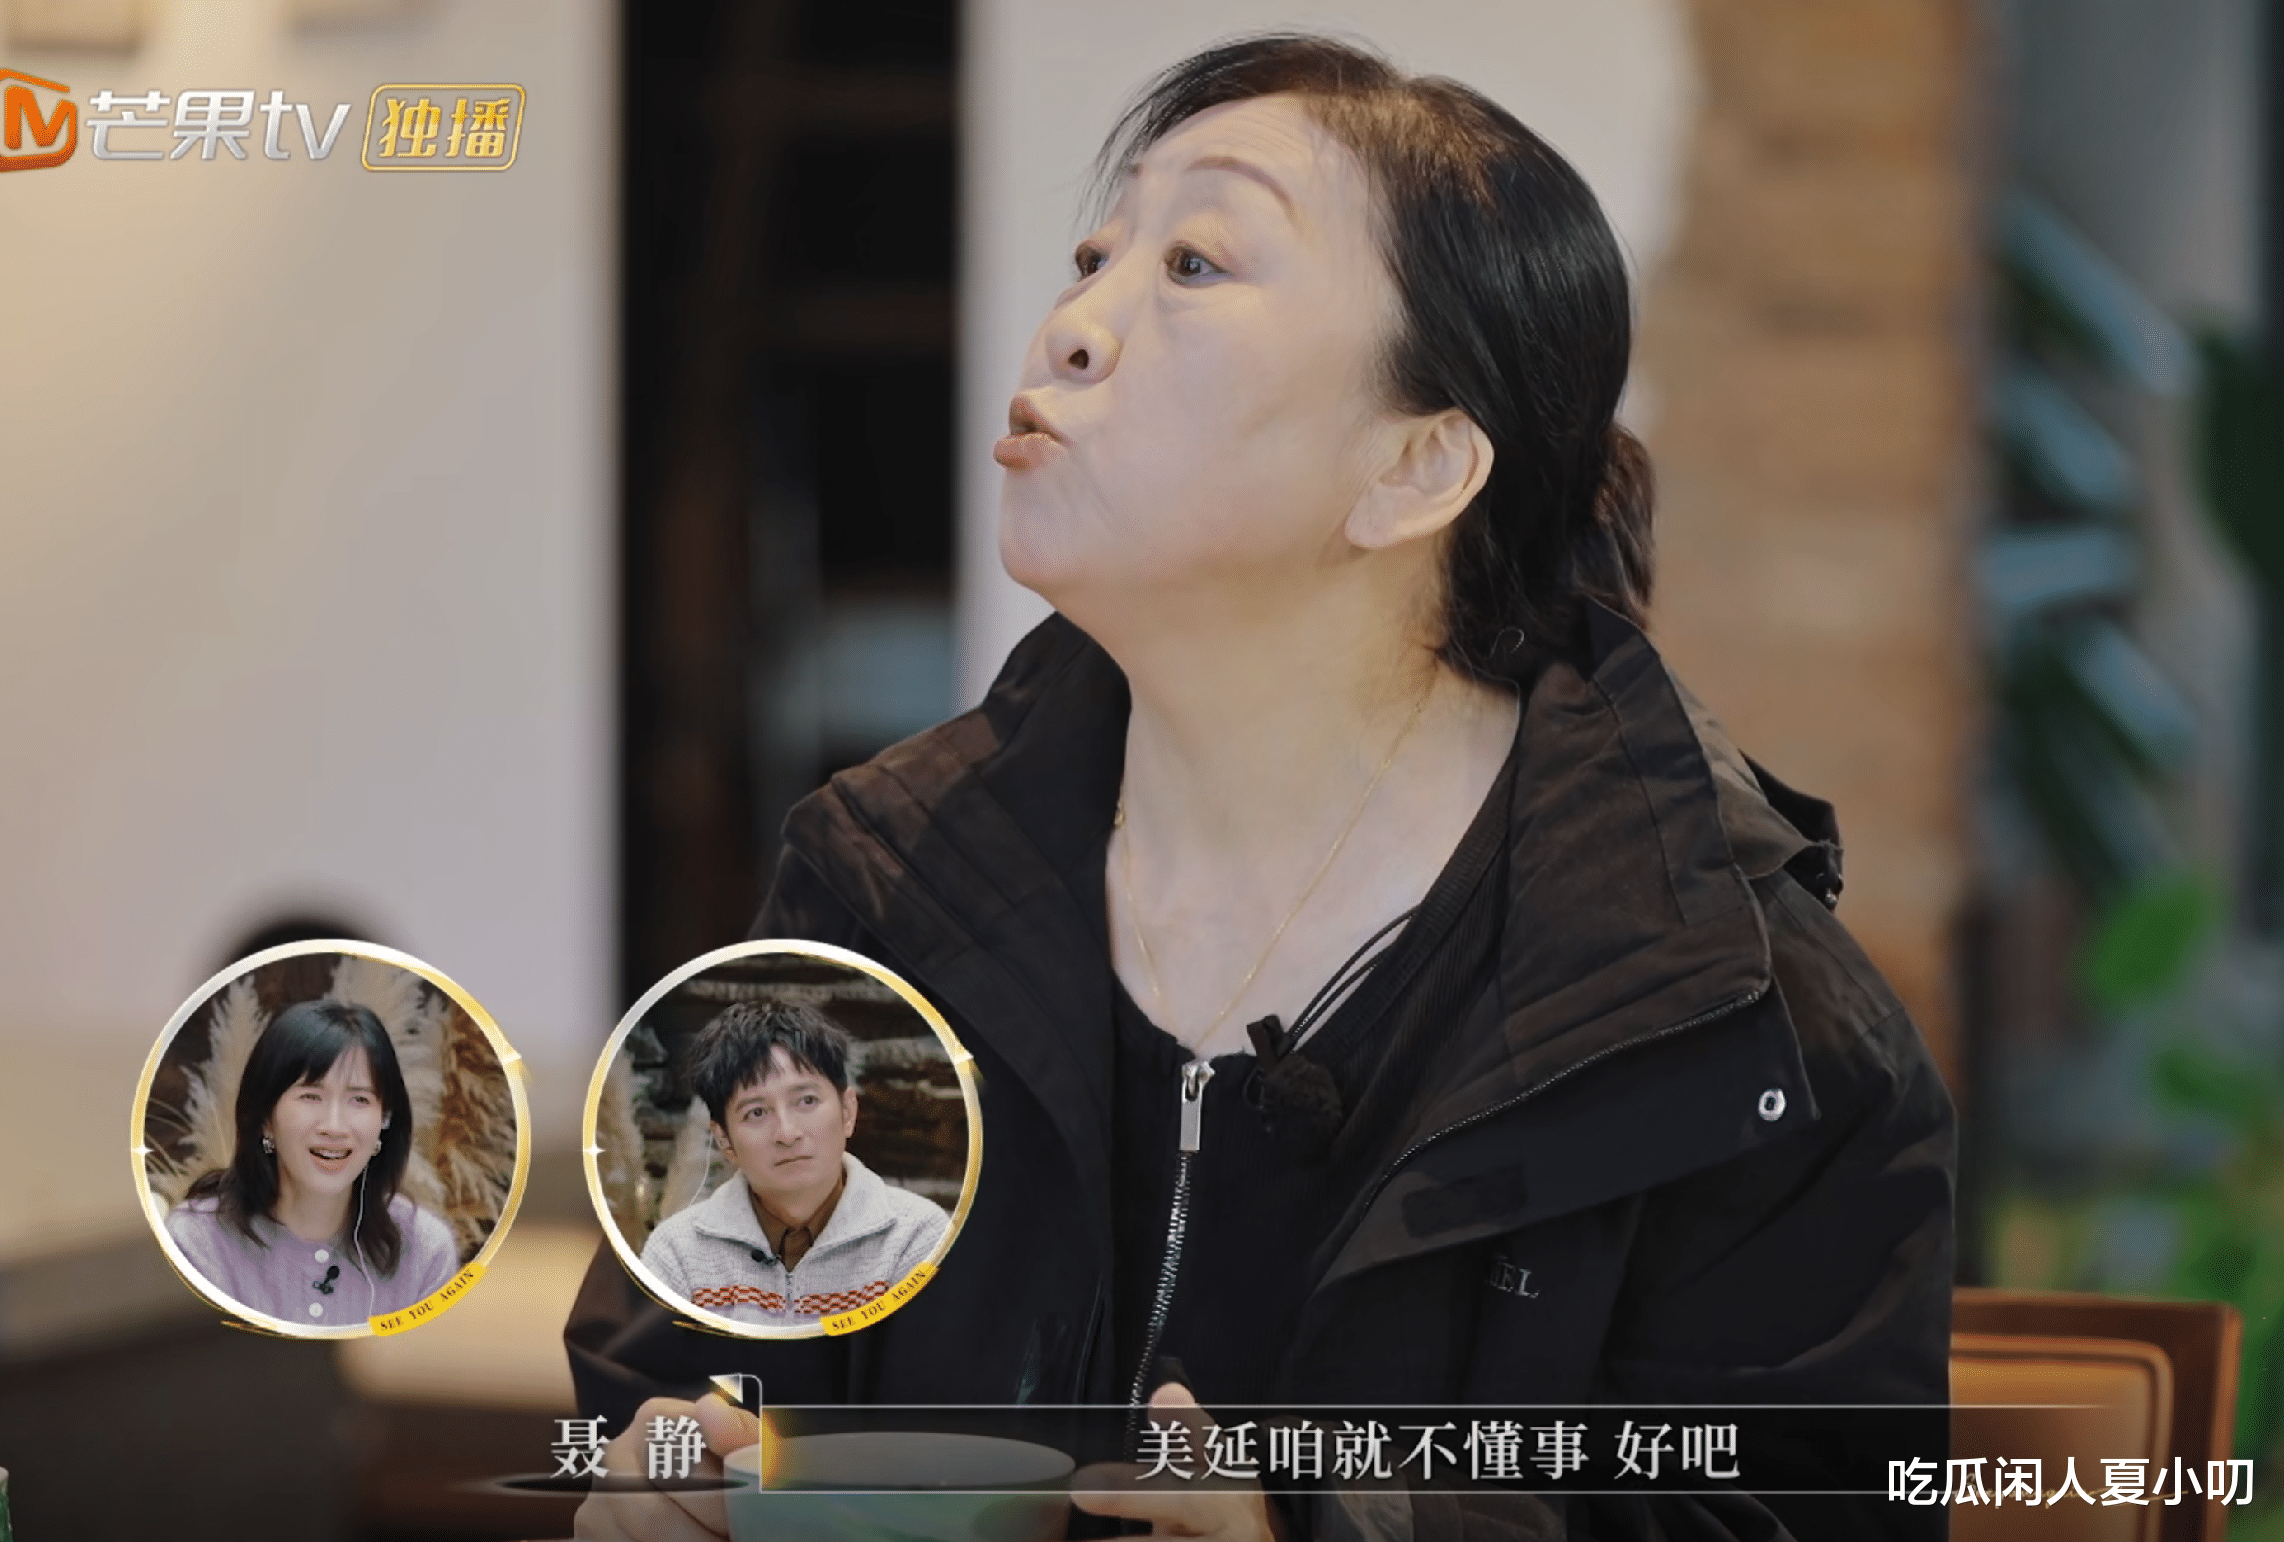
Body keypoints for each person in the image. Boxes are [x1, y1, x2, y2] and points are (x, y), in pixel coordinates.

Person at [567, 32, 1953, 1541]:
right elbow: (676, 1374)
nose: (1072, 327)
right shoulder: (877, 885)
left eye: (1195, 266)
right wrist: (660, 1483)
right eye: (1095, 257)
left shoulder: (1724, 1011)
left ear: (1417, 468)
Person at [636, 999, 950, 1326]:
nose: (787, 1134)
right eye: (756, 1112)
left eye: (806, 1101)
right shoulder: (676, 1252)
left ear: (847, 1111)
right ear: (725, 1139)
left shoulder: (915, 1237)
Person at [166, 998, 459, 1326]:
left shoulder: (426, 1253)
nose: (334, 1127)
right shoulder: (197, 1242)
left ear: (385, 1119)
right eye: (311, 1096)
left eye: (359, 1099)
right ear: (265, 1118)